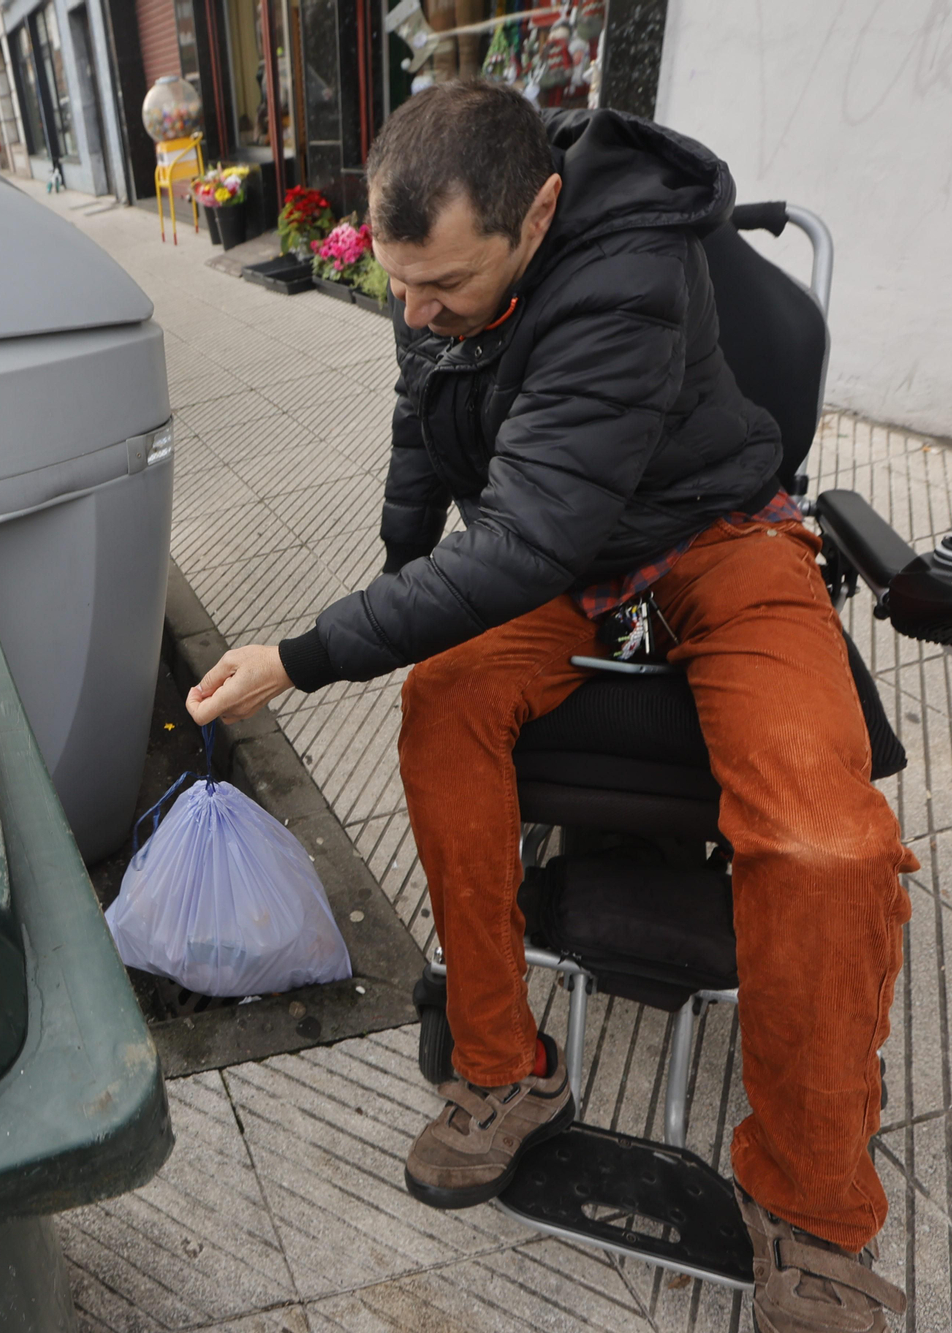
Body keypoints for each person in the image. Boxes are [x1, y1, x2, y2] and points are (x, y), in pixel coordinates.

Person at [185, 82, 913, 1333]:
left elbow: (529, 536)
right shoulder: (434, 265)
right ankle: (501, 1069)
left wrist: (304, 652)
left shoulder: (625, 272)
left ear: (538, 214)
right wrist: (395, 565)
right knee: (440, 708)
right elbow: (424, 415)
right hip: (566, 563)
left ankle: (810, 1208)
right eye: (397, 284)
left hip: (712, 536)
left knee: (821, 840)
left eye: (444, 287)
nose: (413, 311)